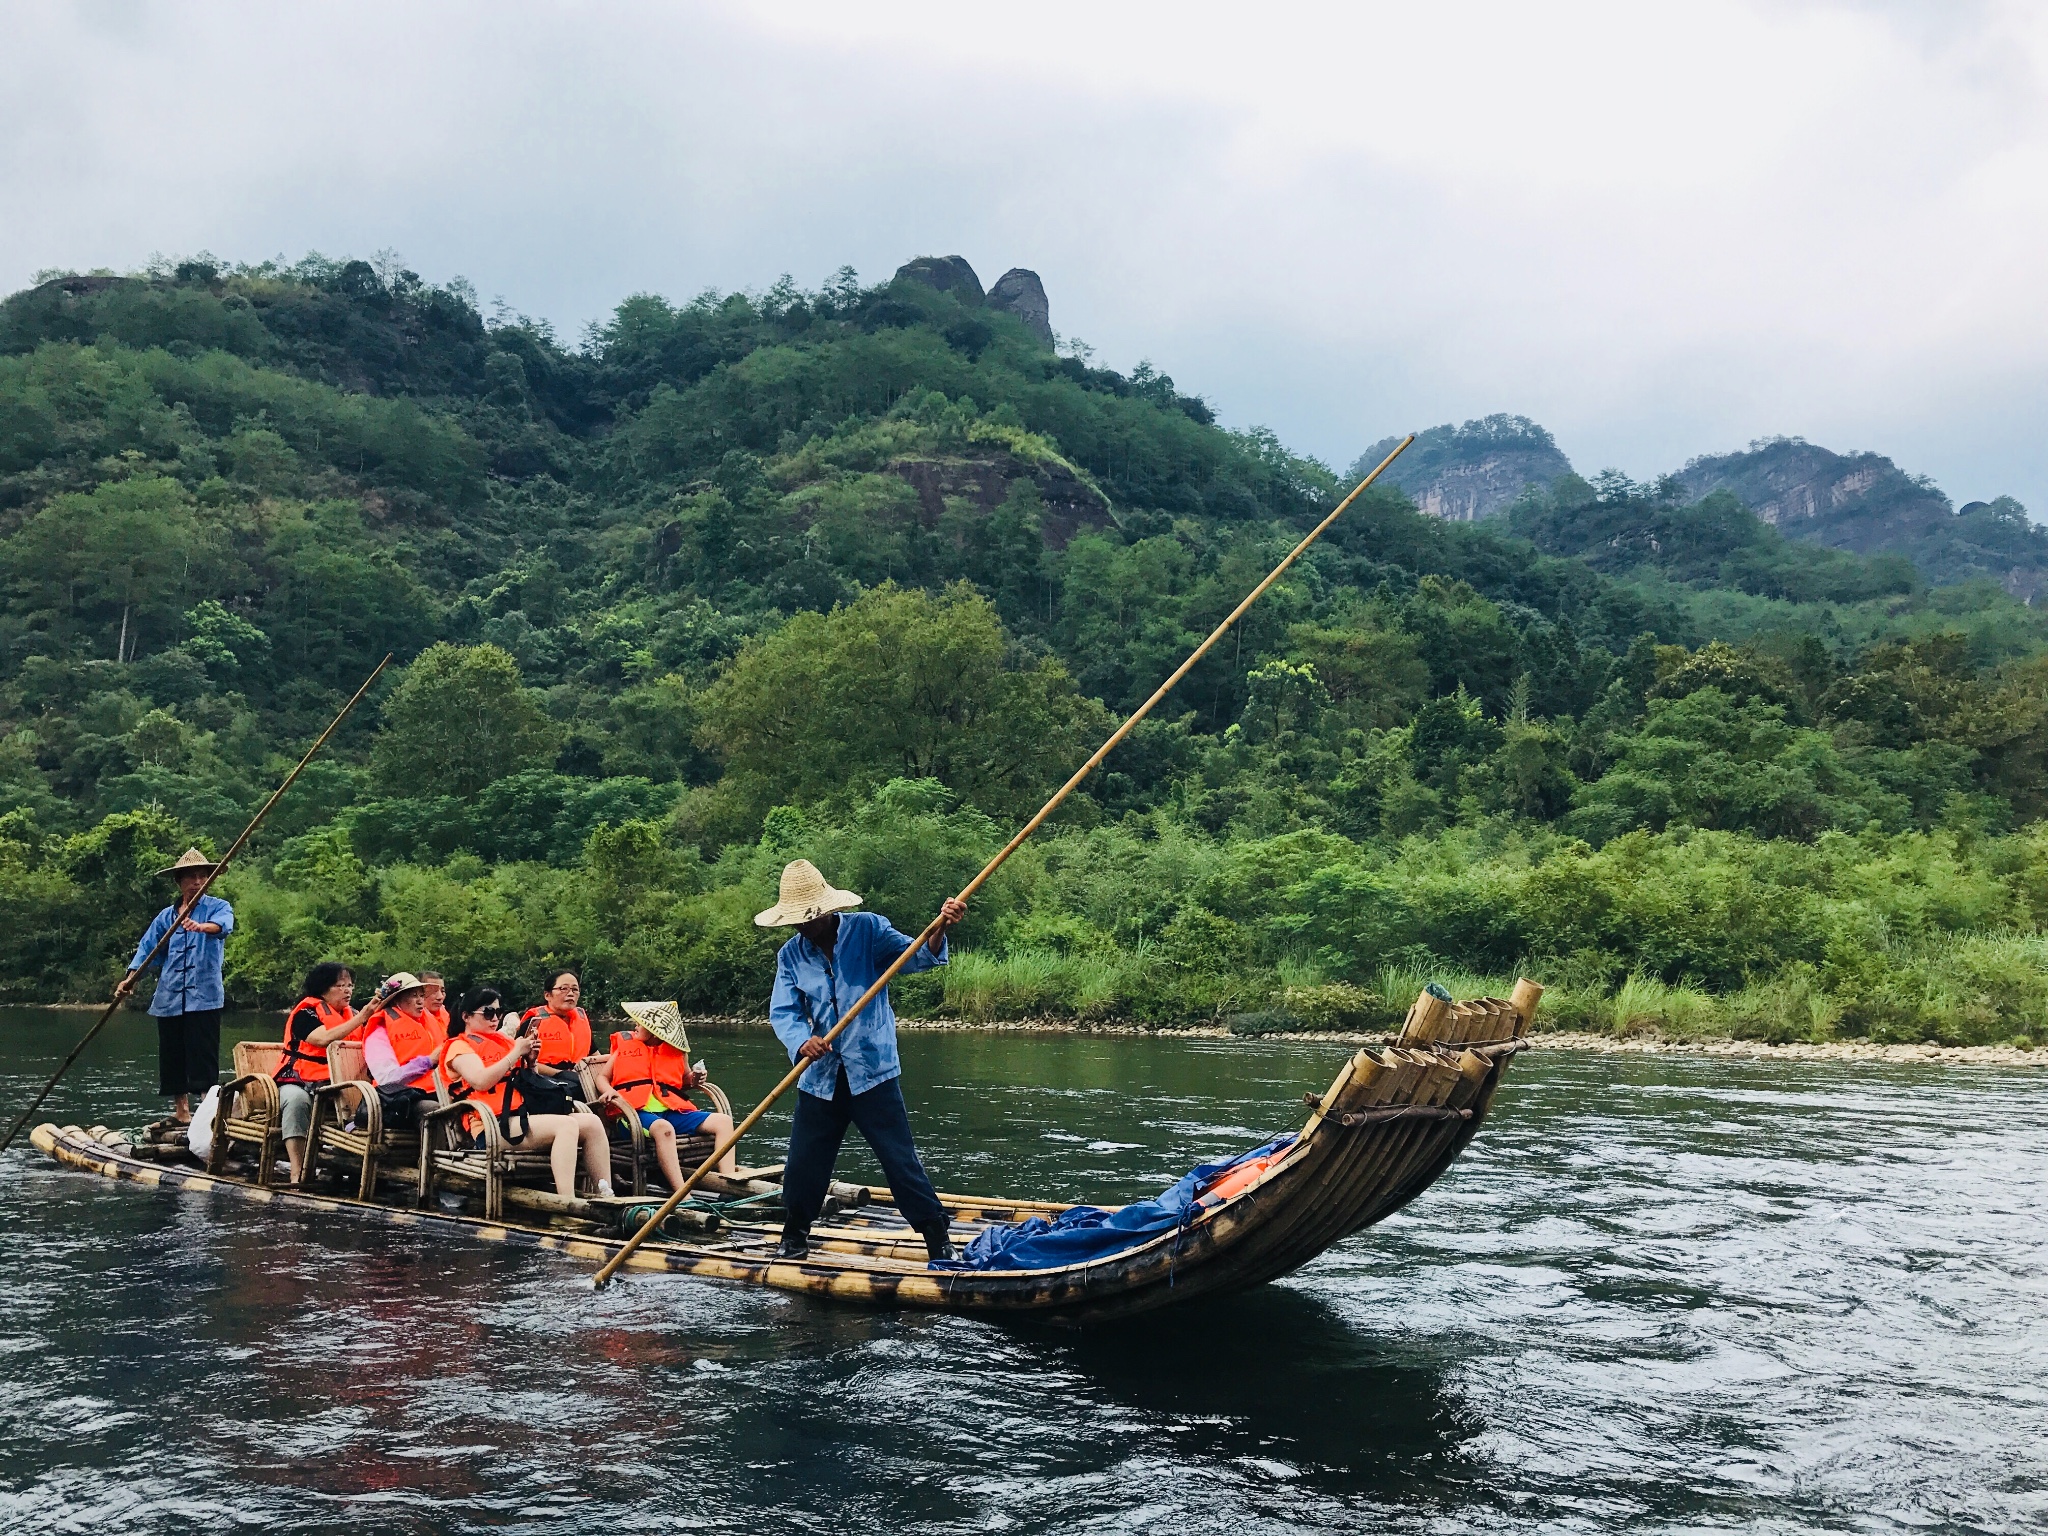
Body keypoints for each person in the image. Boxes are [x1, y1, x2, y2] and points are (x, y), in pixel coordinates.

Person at [761, 859, 965, 1261]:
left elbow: (916, 955)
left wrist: (941, 926)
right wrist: (804, 1043)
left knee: (899, 1160)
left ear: (827, 910)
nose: (803, 926)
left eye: (809, 918)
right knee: (804, 1161)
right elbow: (784, 1012)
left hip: (872, 1071)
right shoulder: (791, 955)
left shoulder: (868, 930)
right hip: (820, 1075)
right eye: (797, 921)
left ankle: (937, 1237)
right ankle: (794, 1236)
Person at [437, 989, 613, 1200]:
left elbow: (529, 1083)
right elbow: (481, 1081)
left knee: (591, 1122)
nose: (495, 1018)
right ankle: (566, 1203)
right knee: (566, 1126)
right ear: (466, 1016)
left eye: (498, 1012)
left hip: (522, 1116)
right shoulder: (459, 1046)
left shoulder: (504, 1044)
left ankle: (605, 1194)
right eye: (488, 1012)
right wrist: (515, 1054)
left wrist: (530, 1062)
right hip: (490, 1126)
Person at [119, 847, 235, 1128]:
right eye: (191, 877)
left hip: (204, 996)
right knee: (172, 1053)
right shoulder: (166, 917)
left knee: (203, 1053)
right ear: (179, 882)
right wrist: (130, 978)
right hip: (170, 997)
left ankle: (207, 1114)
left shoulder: (218, 907)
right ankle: (182, 1111)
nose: (197, 882)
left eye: (202, 876)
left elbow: (223, 927)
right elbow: (148, 949)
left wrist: (201, 926)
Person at [594, 1000, 738, 1188]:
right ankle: (682, 1193)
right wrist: (610, 1092)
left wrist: (695, 1078)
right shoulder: (625, 1048)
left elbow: (685, 1080)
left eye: (640, 1023)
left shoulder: (676, 1051)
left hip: (672, 1111)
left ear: (655, 1030)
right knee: (664, 1128)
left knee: (724, 1122)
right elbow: (602, 1078)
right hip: (633, 1116)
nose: (635, 1025)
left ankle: (728, 1185)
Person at [272, 961, 376, 1184]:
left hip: (339, 1083)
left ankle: (351, 1166)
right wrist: (362, 1018)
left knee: (373, 1102)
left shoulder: (353, 1014)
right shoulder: (306, 1012)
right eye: (340, 985)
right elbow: (321, 1038)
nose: (347, 990)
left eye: (350, 985)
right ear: (323, 988)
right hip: (298, 1079)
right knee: (297, 1101)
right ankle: (297, 1169)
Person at [360, 973, 445, 1129]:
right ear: (395, 1000)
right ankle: (431, 1154)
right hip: (398, 1100)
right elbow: (387, 1079)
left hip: (438, 1091)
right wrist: (428, 1061)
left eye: (421, 995)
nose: (420, 1001)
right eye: (413, 996)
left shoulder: (429, 1024)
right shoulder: (379, 1032)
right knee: (434, 1111)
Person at [517, 971, 594, 1096]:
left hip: (578, 1077)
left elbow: (594, 1054)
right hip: (542, 1080)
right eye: (563, 989)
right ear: (547, 995)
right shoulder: (533, 1022)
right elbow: (520, 1063)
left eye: (575, 989)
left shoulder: (581, 1021)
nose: (570, 994)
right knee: (575, 1088)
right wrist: (558, 1073)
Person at [420, 972, 450, 1038]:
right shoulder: (414, 1021)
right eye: (433, 991)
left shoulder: (445, 1015)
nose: (440, 997)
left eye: (442, 991)